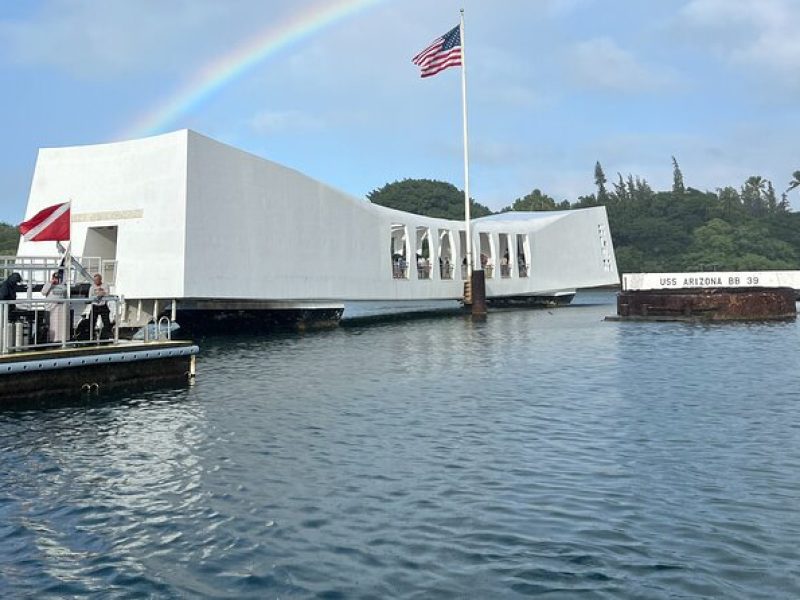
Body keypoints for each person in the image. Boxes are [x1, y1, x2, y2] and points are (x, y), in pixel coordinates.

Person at [43, 271, 67, 342]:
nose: (56, 279)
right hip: (49, 308)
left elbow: (65, 296)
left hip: (59, 310)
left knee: (58, 325)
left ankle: (58, 339)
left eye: (57, 278)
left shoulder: (63, 286)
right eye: (55, 278)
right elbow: (43, 292)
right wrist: (50, 283)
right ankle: (47, 340)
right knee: (48, 325)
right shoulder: (48, 284)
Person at [89, 273, 113, 339]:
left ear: (100, 280)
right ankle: (91, 336)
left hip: (103, 305)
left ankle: (105, 337)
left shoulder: (105, 285)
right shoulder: (92, 287)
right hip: (95, 305)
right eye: (95, 280)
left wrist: (100, 294)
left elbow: (106, 294)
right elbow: (90, 296)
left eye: (97, 280)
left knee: (106, 322)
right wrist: (100, 294)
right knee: (91, 321)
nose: (96, 281)